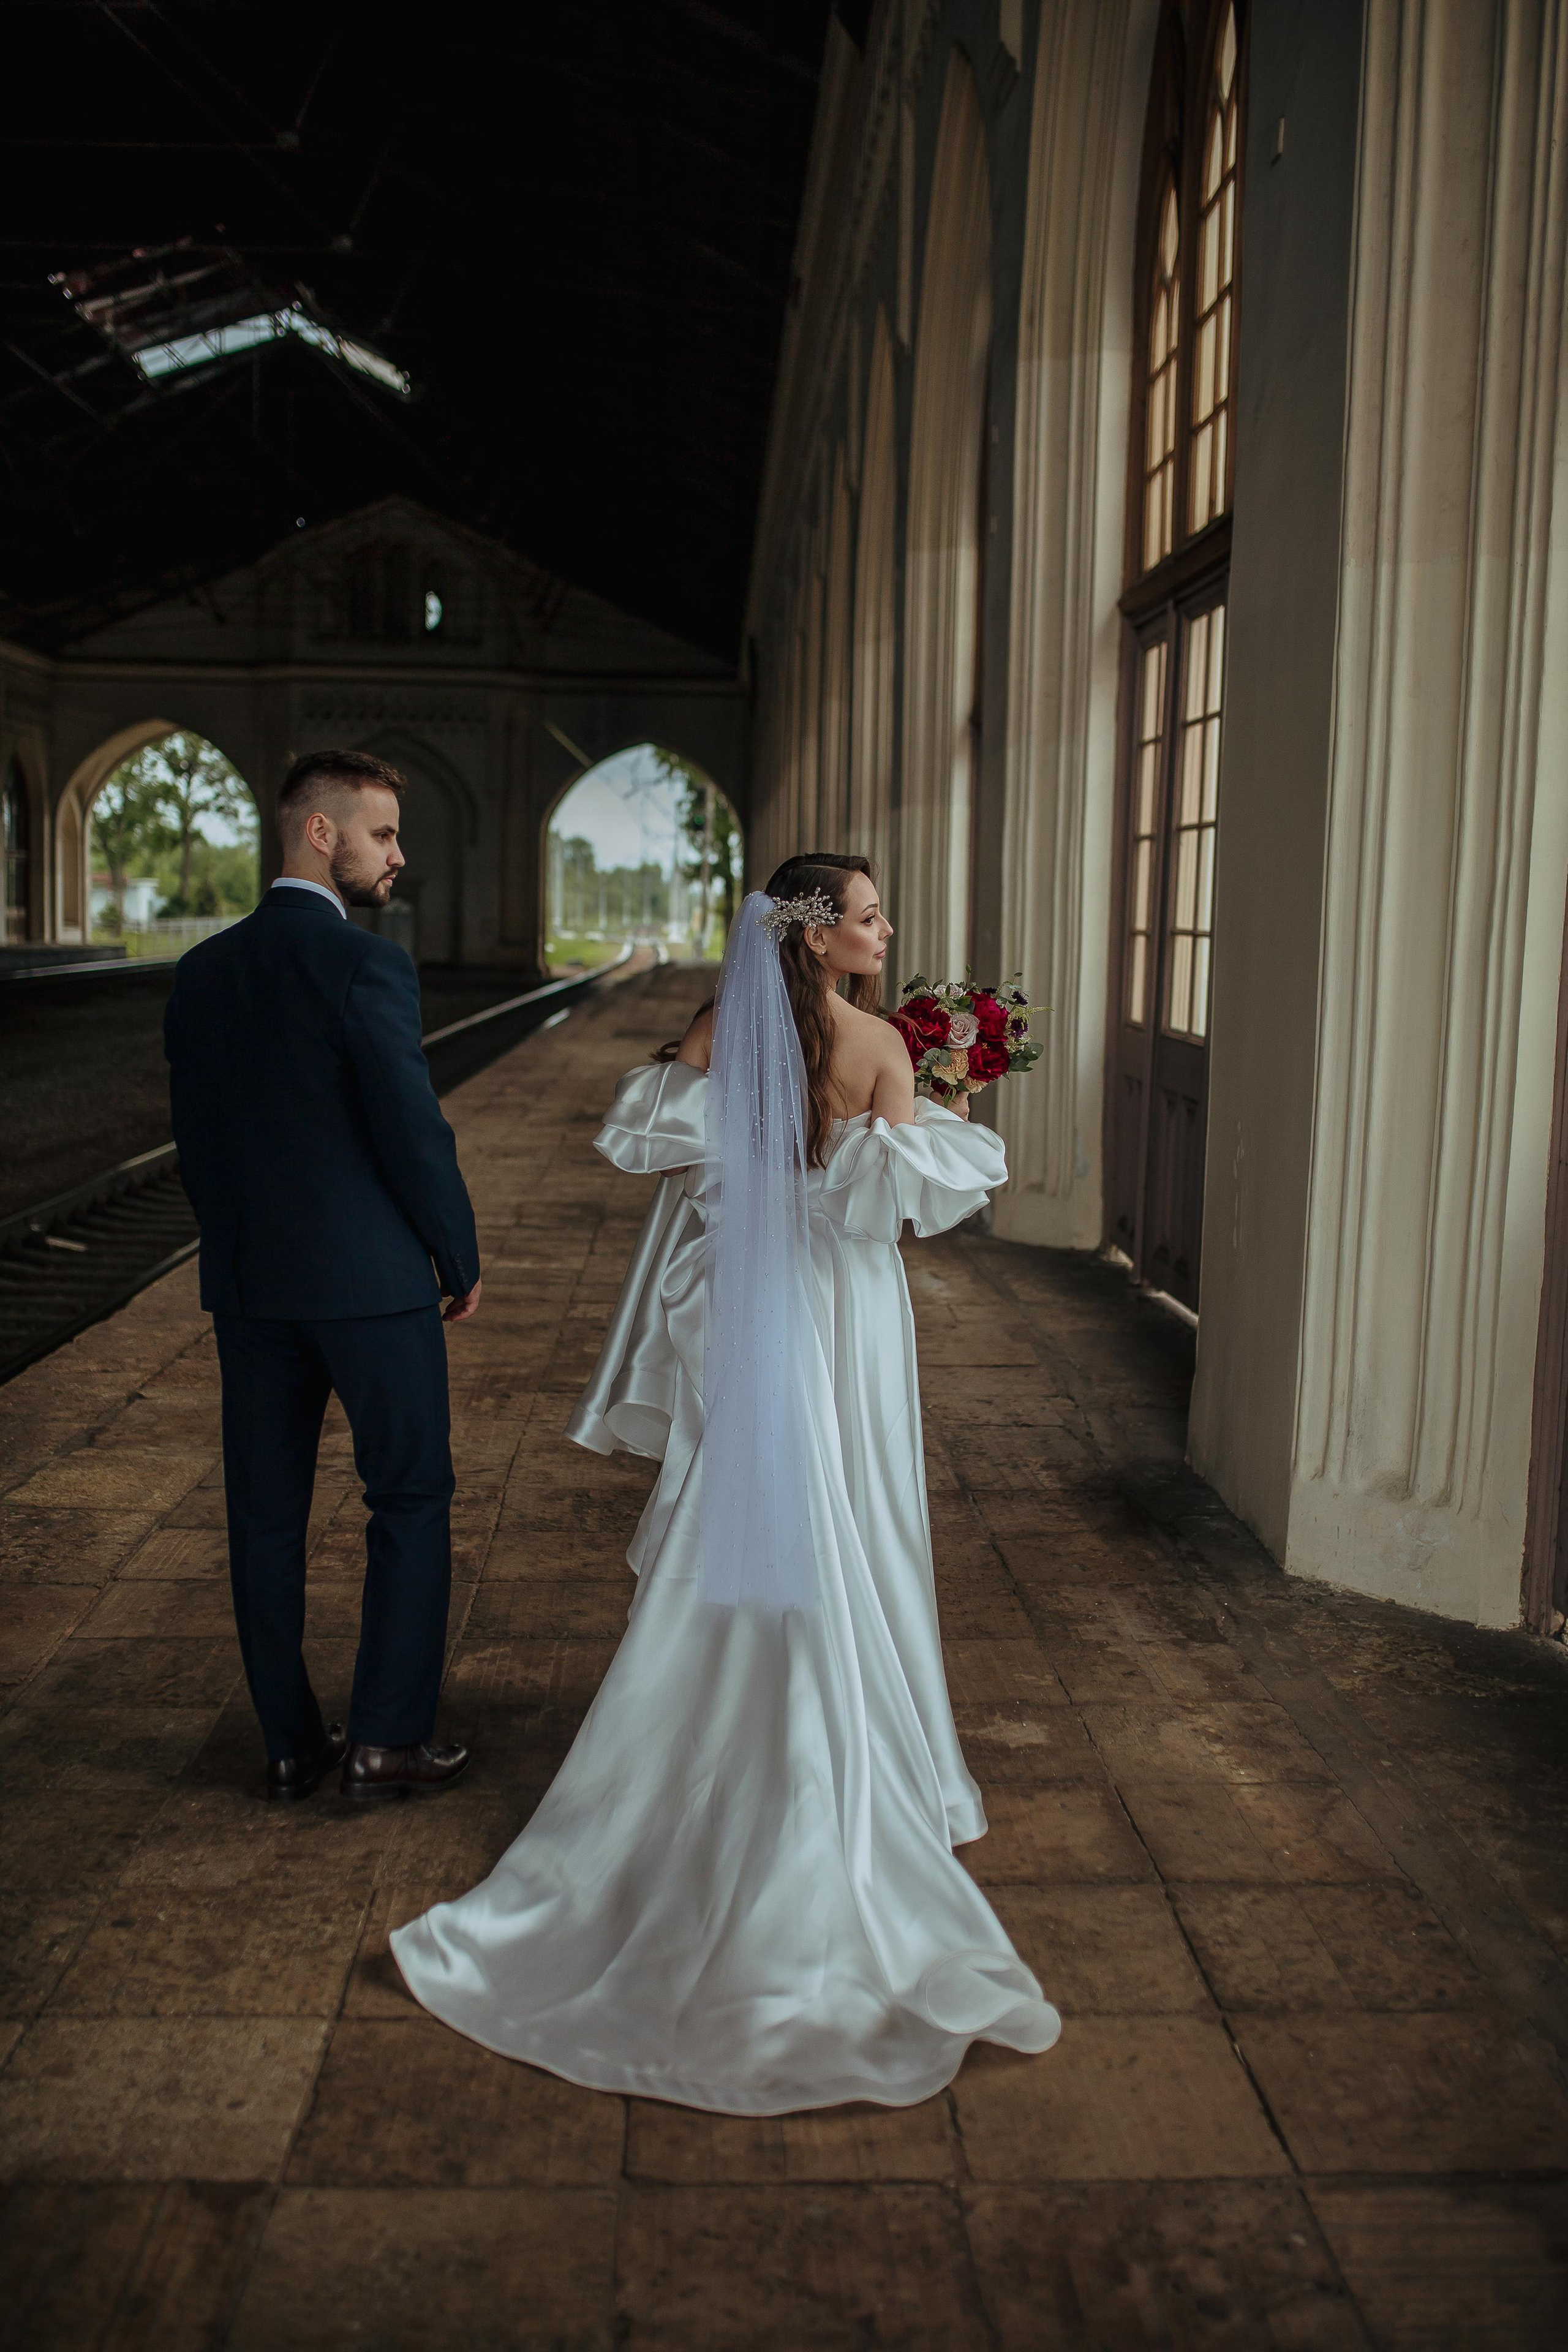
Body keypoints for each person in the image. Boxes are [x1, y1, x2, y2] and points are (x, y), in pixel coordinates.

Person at [391, 853, 1060, 2113]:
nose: (885, 927)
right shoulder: (878, 1050)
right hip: (839, 1312)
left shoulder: (714, 1027)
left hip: (745, 1301)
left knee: (747, 1508)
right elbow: (896, 1211)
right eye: (868, 915)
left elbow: (661, 1150)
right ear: (817, 941)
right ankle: (855, 1749)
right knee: (851, 1507)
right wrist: (926, 1096)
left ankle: (701, 1717)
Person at [164, 748, 481, 1804]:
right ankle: (388, 1739)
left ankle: (292, 1744)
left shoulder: (204, 969)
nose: (399, 855)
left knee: (263, 1514)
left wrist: (240, 1245)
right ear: (319, 833)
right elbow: (410, 1131)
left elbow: (196, 1141)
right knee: (408, 1496)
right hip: (374, 1288)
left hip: (253, 1285)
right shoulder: (367, 965)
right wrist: (455, 1251)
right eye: (383, 834)